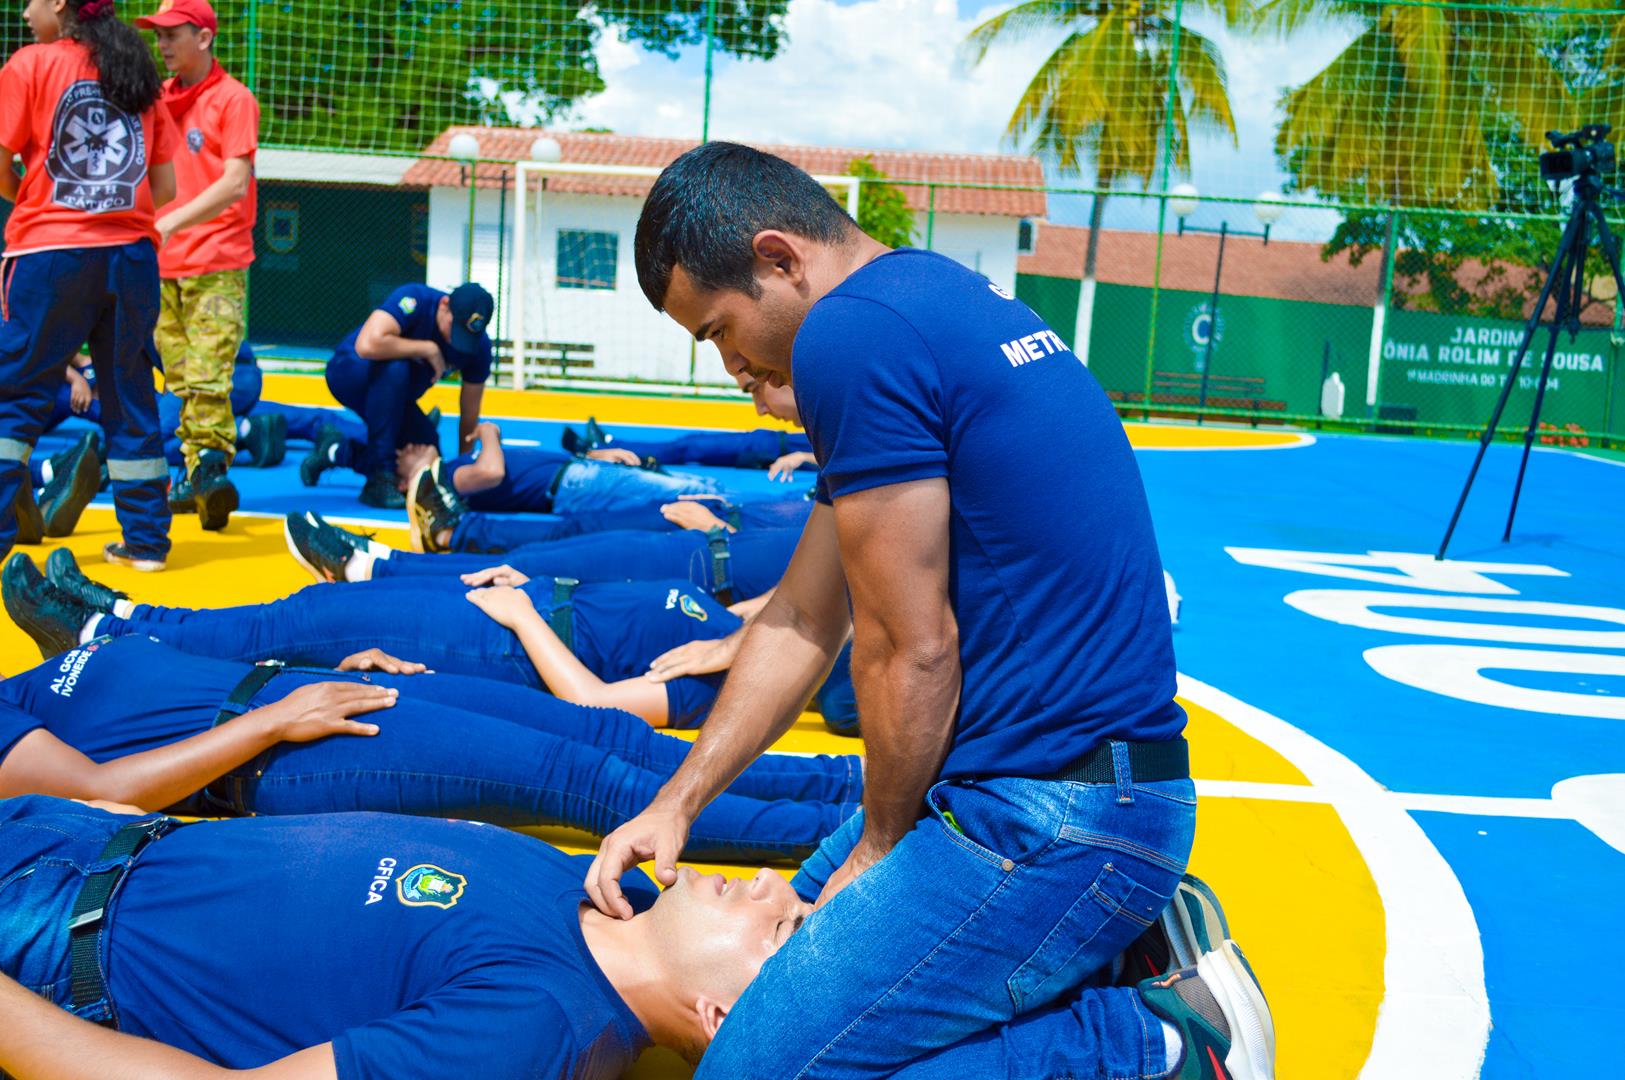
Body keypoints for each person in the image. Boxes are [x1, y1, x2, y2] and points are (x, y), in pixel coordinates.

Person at [584, 142, 1274, 1080]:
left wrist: (875, 853)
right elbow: (801, 618)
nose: (729, 363)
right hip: (1048, 791)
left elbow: (910, 649)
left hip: (1053, 816)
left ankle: (1154, 1041)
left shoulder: (850, 338)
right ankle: (1112, 955)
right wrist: (676, 804)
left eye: (719, 331)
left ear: (777, 258)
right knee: (775, 974)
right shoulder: (925, 296)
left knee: (753, 1070)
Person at [0, 793, 812, 1079]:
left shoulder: (529, 1031)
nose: (772, 884)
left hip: (47, 929)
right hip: (84, 833)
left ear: (717, 1016)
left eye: (780, 928)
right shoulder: (614, 895)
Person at [0, 630, 860, 862]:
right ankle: (859, 832)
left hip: (304, 694)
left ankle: (858, 784)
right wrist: (271, 720)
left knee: (606, 734)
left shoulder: (27, 680)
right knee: (585, 779)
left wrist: (320, 667)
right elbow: (96, 792)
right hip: (287, 748)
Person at [6, 550, 744, 729]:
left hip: (503, 640)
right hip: (511, 610)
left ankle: (102, 629)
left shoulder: (732, 680)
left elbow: (600, 705)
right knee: (307, 612)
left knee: (292, 630)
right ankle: (122, 616)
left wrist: (524, 616)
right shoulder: (742, 628)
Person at [0, 0, 177, 572]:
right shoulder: (138, 69)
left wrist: (35, 199)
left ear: (59, 2)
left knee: (14, 394)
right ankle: (146, 543)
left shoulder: (30, 65)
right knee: (129, 394)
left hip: (50, 254)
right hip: (131, 256)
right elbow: (166, 187)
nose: (25, 13)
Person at [135, 0, 259, 531]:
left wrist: (169, 221)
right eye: (158, 35)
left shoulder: (234, 99)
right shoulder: (156, 98)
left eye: (172, 34)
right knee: (180, 378)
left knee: (210, 371)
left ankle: (210, 465)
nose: (161, 44)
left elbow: (234, 182)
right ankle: (193, 476)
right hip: (162, 262)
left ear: (204, 38)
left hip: (216, 259)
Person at [402, 420, 722, 552]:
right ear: (403, 481)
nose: (409, 446)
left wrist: (592, 456)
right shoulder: (447, 477)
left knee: (691, 488)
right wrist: (488, 432)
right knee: (694, 493)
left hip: (578, 475)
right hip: (573, 485)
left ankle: (732, 515)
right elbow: (491, 472)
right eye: (402, 454)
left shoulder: (453, 464)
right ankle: (736, 516)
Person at [318, 281, 494, 509]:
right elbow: (366, 345)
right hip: (351, 374)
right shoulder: (415, 299)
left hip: (397, 399)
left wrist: (465, 471)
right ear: (444, 305)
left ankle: (337, 451)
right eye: (454, 327)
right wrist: (427, 348)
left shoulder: (479, 348)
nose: (455, 340)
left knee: (427, 458)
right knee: (396, 366)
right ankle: (380, 477)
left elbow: (469, 415)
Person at [563, 376, 816, 479]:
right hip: (766, 443)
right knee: (687, 446)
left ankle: (606, 447)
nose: (760, 408)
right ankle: (609, 445)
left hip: (764, 447)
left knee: (687, 448)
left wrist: (802, 457)